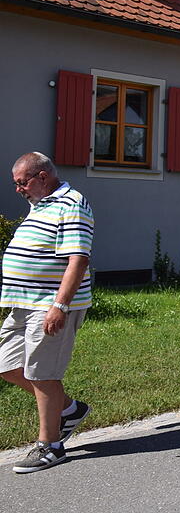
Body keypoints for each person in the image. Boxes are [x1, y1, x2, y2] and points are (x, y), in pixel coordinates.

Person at [1, 153, 94, 474]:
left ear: (42, 176)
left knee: (42, 374)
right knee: (8, 365)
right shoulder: (41, 203)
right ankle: (69, 409)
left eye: (22, 183)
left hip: (49, 304)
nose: (18, 190)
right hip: (23, 303)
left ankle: (50, 446)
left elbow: (78, 260)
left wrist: (60, 306)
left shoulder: (71, 204)